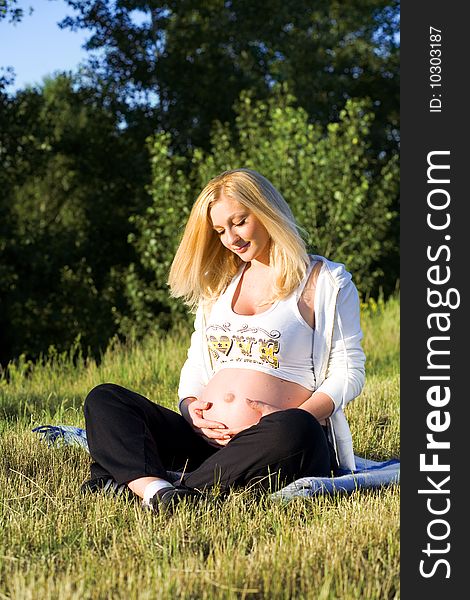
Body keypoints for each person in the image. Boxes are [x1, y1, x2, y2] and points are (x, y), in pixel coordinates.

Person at [82, 168, 366, 511]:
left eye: (239, 221)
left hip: (276, 442)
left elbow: (348, 372)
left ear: (266, 211)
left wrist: (299, 414)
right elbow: (197, 366)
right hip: (206, 442)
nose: (231, 238)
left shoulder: (325, 281)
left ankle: (158, 485)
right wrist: (190, 410)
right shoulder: (220, 285)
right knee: (106, 399)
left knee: (298, 429)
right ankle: (162, 491)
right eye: (220, 230)